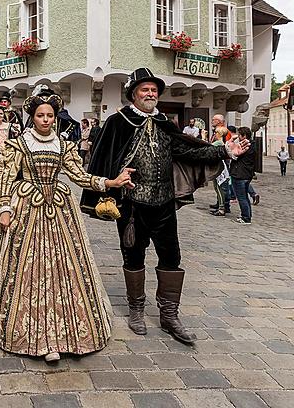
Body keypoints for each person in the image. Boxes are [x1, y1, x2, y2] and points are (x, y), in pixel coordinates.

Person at [81, 68, 249, 344]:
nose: (150, 94)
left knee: (171, 257)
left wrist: (226, 151)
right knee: (132, 256)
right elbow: (102, 158)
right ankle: (136, 309)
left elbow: (188, 149)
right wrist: (110, 184)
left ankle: (169, 315)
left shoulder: (164, 122)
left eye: (154, 90)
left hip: (164, 204)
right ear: (133, 93)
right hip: (132, 206)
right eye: (145, 89)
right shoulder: (117, 122)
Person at [0, 91, 134, 362]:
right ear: (32, 117)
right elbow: (5, 177)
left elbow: (79, 176)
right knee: (26, 270)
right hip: (27, 207)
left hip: (59, 209)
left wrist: (110, 183)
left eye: (50, 116)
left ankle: (65, 336)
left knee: (64, 269)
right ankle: (36, 337)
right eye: (40, 115)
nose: (45, 120)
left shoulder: (64, 145)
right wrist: (5, 208)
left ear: (55, 118)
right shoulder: (19, 144)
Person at [230, 127, 256, 224]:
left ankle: (245, 217)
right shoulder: (252, 145)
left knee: (241, 197)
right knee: (244, 196)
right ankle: (247, 215)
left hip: (239, 174)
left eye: (240, 135)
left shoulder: (244, 146)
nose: (238, 137)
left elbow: (234, 155)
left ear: (244, 136)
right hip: (246, 174)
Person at [209, 127, 231, 217]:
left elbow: (207, 147)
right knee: (217, 187)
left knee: (219, 188)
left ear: (220, 134)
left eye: (216, 133)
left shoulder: (219, 142)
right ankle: (220, 206)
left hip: (219, 168)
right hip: (218, 166)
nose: (214, 134)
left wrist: (203, 136)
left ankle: (221, 208)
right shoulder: (220, 142)